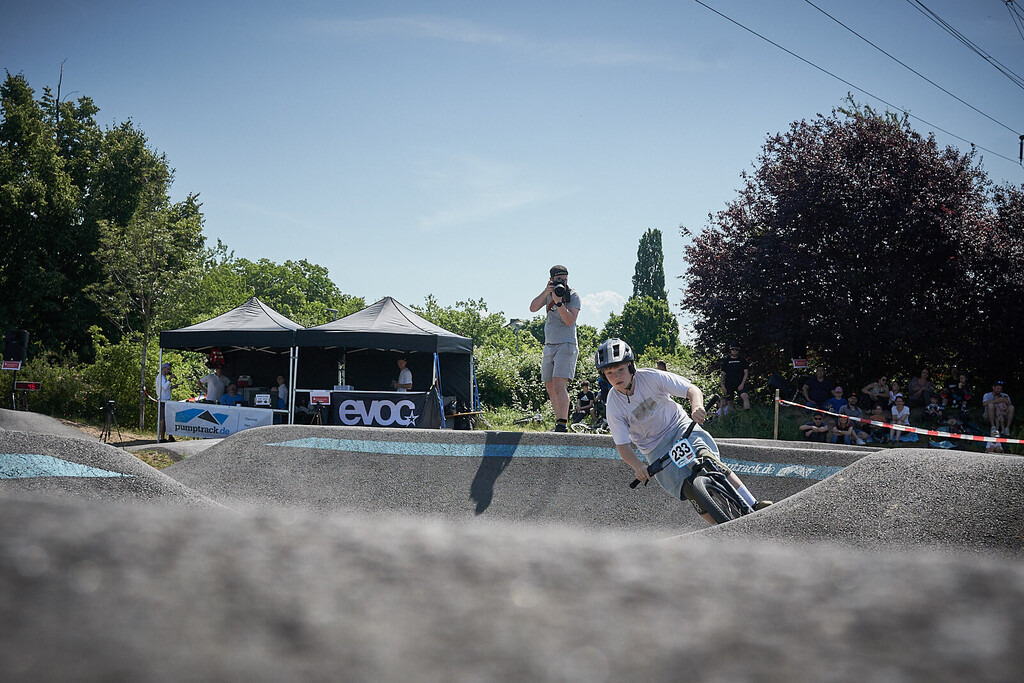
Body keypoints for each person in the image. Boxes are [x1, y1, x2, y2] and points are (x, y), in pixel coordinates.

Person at [595, 338, 770, 525]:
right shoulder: (613, 405)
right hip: (655, 448)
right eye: (609, 372)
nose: (616, 376)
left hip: (679, 426)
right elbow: (622, 446)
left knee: (708, 459)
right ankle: (722, 529)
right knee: (690, 489)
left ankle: (753, 502)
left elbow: (691, 390)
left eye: (620, 369)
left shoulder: (651, 377)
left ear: (631, 367)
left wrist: (696, 407)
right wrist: (638, 466)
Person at [529, 265, 581, 432]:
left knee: (559, 383)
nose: (563, 283)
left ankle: (562, 423)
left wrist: (559, 304)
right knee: (550, 385)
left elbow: (569, 321)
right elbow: (532, 308)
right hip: (550, 344)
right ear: (552, 279)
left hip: (566, 344)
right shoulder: (550, 293)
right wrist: (546, 292)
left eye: (565, 279)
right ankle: (559, 422)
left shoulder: (572, 295)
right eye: (559, 280)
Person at [720, 343, 751, 412]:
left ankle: (747, 414)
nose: (734, 351)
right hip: (729, 384)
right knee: (730, 401)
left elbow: (746, 373)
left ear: (738, 351)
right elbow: (723, 374)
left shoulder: (742, 360)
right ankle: (732, 417)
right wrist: (723, 385)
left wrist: (742, 384)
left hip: (739, 383)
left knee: (745, 396)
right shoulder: (726, 361)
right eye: (733, 349)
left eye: (736, 349)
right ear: (730, 350)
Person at [157, 362, 176, 443]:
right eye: (168, 369)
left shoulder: (163, 378)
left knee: (167, 418)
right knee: (163, 419)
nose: (169, 371)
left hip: (166, 400)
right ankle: (162, 437)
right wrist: (170, 379)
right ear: (163, 369)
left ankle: (169, 436)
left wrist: (172, 387)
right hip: (163, 401)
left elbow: (165, 389)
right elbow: (164, 387)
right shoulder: (160, 377)